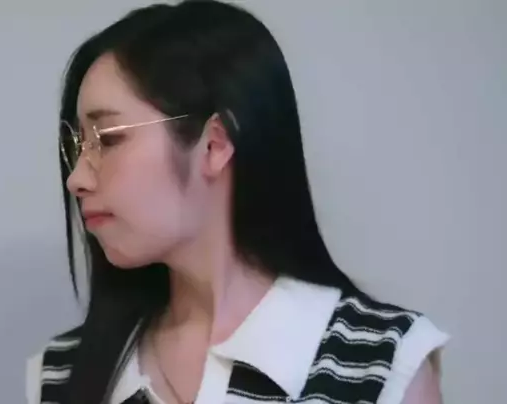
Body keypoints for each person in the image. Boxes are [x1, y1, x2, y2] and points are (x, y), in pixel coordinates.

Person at [26, 1, 449, 403]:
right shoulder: (62, 374)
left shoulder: (377, 363)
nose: (76, 179)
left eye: (107, 139)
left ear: (215, 144)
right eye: (77, 146)